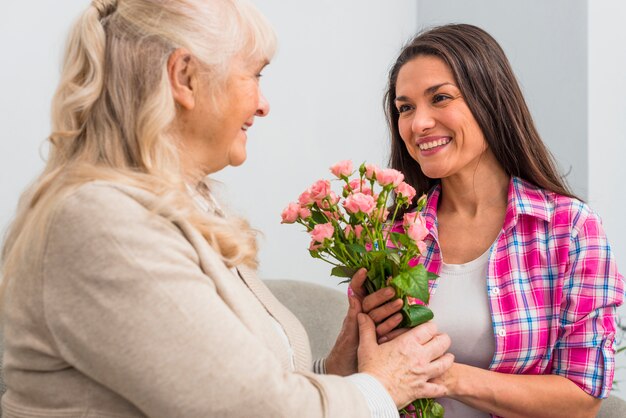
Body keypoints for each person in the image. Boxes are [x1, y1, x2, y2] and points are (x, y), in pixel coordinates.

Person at [0, 1, 455, 416]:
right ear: (184, 77)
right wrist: (383, 385)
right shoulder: (101, 223)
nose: (263, 104)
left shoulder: (178, 206)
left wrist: (339, 370)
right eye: (254, 74)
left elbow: (239, 388)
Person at [360, 24, 624, 418]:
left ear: (489, 100)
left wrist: (447, 377)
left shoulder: (569, 230)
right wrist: (357, 338)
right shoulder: (390, 236)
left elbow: (583, 399)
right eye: (406, 108)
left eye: (441, 98)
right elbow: (362, 382)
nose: (418, 124)